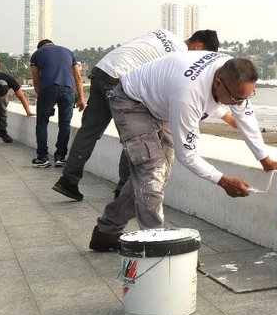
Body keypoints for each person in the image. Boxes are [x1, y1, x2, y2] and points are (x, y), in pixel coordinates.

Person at [89, 53, 277, 251]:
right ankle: (158, 247)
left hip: (161, 105)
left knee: (155, 176)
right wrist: (223, 181)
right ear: (218, 83)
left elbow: (246, 119)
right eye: (235, 99)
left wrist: (266, 161)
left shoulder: (233, 76)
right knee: (152, 171)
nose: (238, 104)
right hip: (131, 101)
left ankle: (107, 231)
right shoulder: (189, 93)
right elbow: (187, 155)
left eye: (246, 97)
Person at [51, 29, 218, 202]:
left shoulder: (164, 33)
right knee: (134, 135)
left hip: (103, 69)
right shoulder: (181, 57)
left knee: (89, 131)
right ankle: (123, 191)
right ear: (198, 47)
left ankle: (68, 180)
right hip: (121, 79)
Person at [28, 39, 85, 168]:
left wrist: (41, 96)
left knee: (42, 123)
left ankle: (43, 158)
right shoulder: (68, 52)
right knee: (65, 124)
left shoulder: (37, 55)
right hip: (68, 90)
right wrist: (81, 99)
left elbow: (36, 80)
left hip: (48, 89)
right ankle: (60, 157)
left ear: (40, 47)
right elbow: (78, 77)